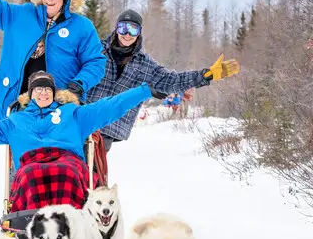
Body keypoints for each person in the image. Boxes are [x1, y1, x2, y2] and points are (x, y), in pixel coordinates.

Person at [0, 70, 153, 214]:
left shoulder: (73, 113)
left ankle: (71, 218)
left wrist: (144, 91)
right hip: (31, 165)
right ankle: (32, 220)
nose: (43, 93)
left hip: (68, 161)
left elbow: (111, 106)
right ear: (30, 94)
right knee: (29, 174)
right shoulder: (15, 121)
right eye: (38, 89)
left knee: (67, 171)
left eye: (47, 89)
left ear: (53, 92)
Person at [85, 8, 240, 151]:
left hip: (110, 128)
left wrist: (206, 75)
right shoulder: (96, 50)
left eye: (133, 29)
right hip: (83, 118)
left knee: (91, 163)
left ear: (139, 33)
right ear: (116, 29)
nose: (127, 34)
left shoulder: (145, 64)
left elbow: (173, 81)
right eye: (123, 28)